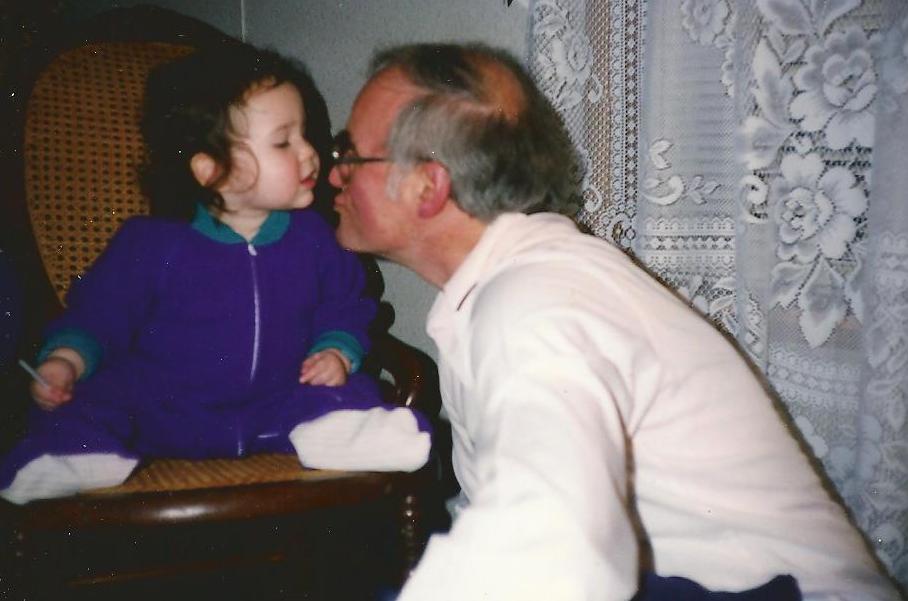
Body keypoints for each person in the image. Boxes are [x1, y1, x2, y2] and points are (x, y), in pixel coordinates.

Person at [326, 42, 901, 600]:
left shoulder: (532, 302)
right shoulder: (522, 284)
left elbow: (552, 554)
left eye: (348, 155)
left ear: (428, 186)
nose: (333, 176)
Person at [0, 41, 430, 505]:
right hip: (165, 411)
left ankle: (343, 433)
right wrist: (66, 360)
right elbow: (100, 315)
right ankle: (71, 456)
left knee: (350, 390)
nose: (310, 153)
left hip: (278, 405)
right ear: (212, 170)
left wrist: (337, 350)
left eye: (304, 134)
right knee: (93, 401)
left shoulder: (316, 238)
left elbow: (345, 305)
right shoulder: (153, 242)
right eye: (283, 142)